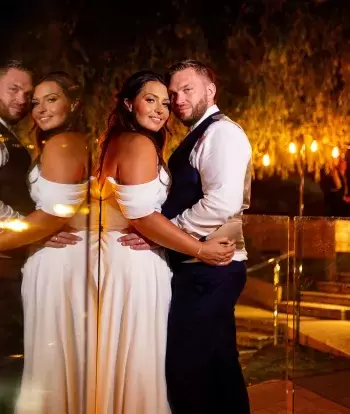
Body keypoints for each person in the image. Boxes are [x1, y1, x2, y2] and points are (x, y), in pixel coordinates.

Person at [93, 69, 235, 414]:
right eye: (149, 100)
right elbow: (142, 216)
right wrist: (200, 248)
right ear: (129, 104)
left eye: (165, 102)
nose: (160, 109)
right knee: (139, 359)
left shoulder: (114, 141)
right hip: (133, 264)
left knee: (119, 357)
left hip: (114, 257)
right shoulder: (139, 144)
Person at [0, 71, 90, 413]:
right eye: (35, 101)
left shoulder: (63, 144)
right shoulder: (61, 142)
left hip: (56, 259)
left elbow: (53, 215)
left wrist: (9, 239)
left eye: (49, 99)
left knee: (51, 357)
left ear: (74, 103)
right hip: (49, 255)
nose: (35, 107)